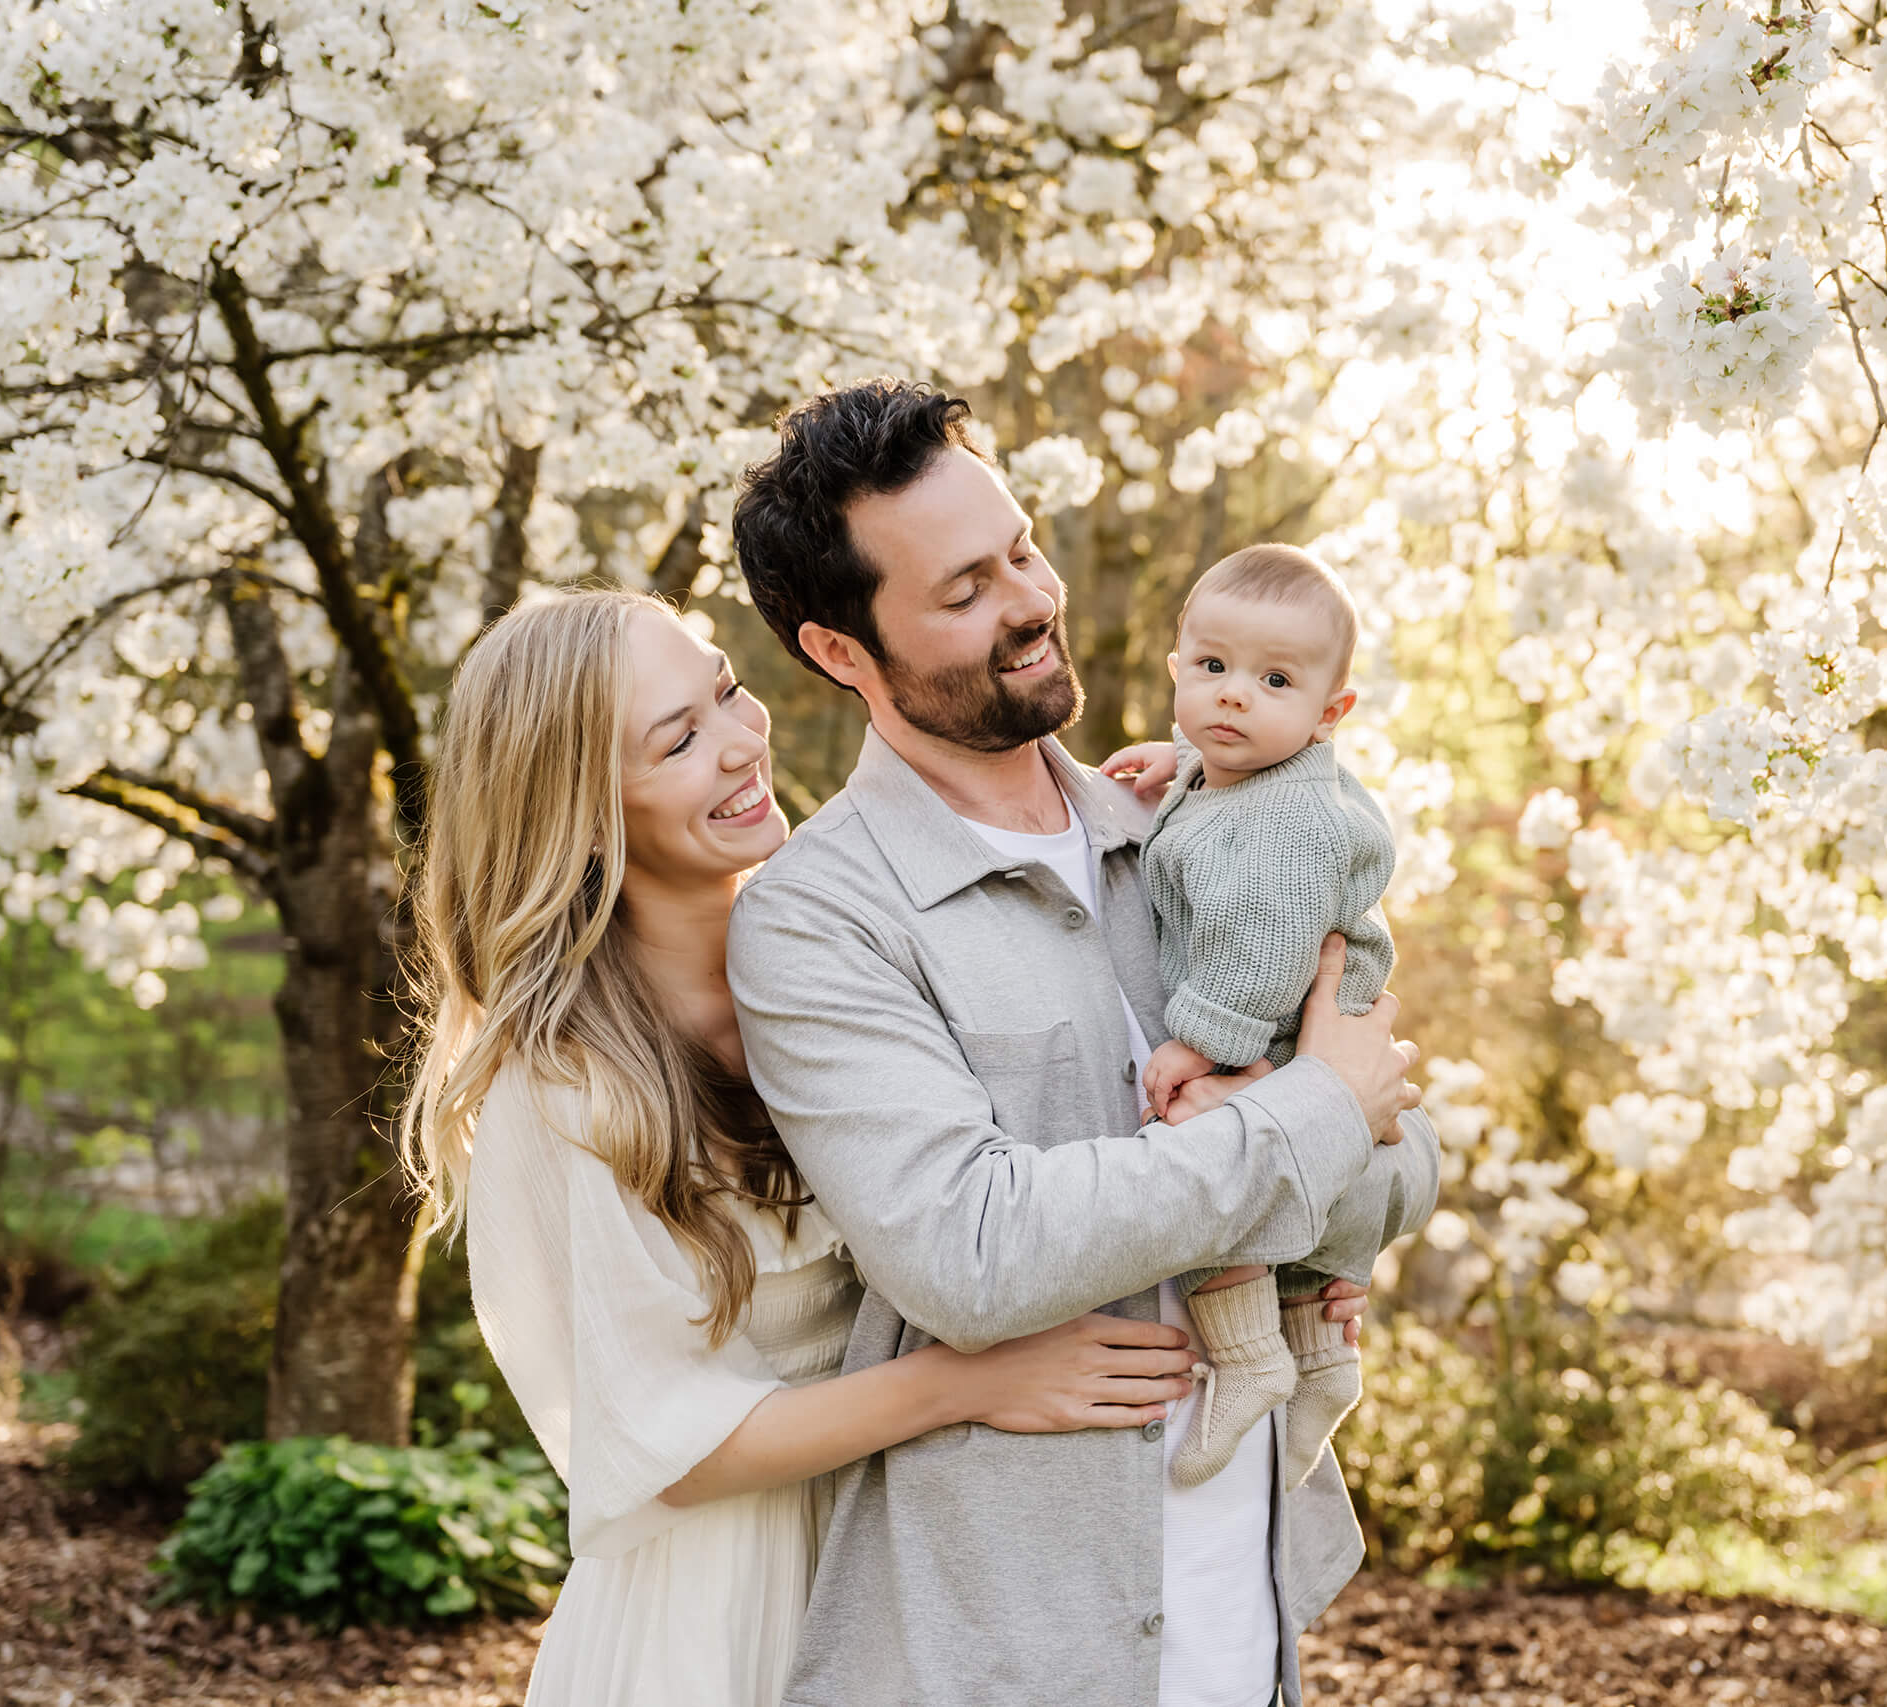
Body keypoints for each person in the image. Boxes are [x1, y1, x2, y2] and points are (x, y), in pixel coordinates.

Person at [726, 378, 1442, 1707]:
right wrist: (1309, 1123)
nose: (1029, 598)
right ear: (840, 649)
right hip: (1002, 1643)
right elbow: (972, 1250)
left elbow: (1407, 1154)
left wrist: (1336, 1143)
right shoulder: (820, 916)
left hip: (1246, 1617)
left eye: (1022, 547)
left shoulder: (1188, 830)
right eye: (964, 589)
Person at [396, 588, 1201, 1707]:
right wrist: (968, 1380)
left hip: (920, 1552)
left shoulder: (852, 947)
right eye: (678, 740)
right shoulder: (565, 1084)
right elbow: (666, 1448)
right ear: (580, 815)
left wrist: (1201, 792)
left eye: (724, 689)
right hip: (723, 1610)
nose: (740, 740)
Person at [1130, 542, 1399, 1493]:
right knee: (1286, 1185)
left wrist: (1202, 1042)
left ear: (1330, 714)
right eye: (1213, 668)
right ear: (1178, 669)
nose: (1234, 695)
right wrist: (1182, 765)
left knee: (1209, 1142)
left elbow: (1263, 945)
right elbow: (1224, 815)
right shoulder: (1238, 778)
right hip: (1306, 1026)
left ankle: (1249, 1359)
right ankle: (1324, 1360)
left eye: (1274, 680)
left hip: (1277, 1019)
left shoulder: (1285, 827)